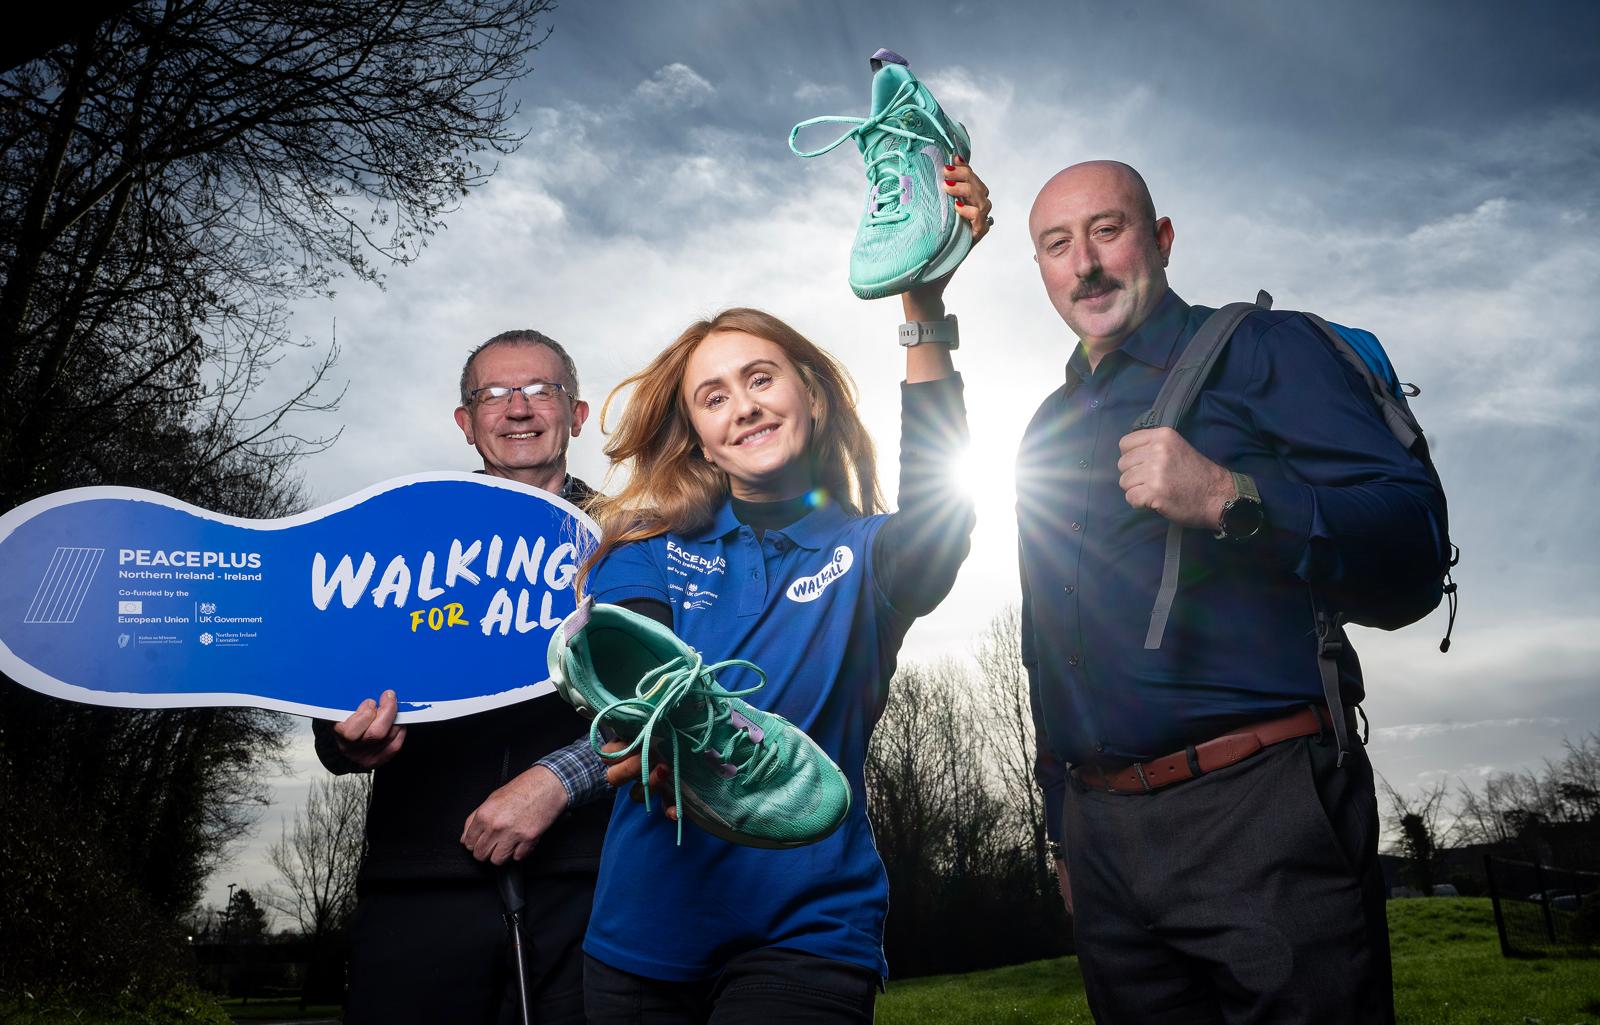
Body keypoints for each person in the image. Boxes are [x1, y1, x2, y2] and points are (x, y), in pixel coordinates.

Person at [1017, 160, 1448, 1024]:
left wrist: (1230, 498)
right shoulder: (1045, 424)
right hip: (1103, 843)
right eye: (1057, 245)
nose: (1085, 264)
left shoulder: (1263, 348)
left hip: (1260, 810)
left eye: (1107, 230)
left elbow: (1412, 543)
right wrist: (1065, 821)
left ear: (1162, 239)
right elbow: (1051, 635)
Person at [574, 164, 991, 1023]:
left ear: (808, 391)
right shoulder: (645, 547)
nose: (745, 407)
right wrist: (646, 727)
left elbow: (941, 528)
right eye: (714, 398)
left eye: (761, 378)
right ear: (701, 439)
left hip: (809, 927)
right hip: (642, 934)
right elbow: (627, 676)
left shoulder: (869, 553)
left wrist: (921, 306)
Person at [312, 330, 610, 1025]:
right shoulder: (404, 536)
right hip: (419, 884)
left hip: (586, 882)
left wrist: (558, 784)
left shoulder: (629, 537)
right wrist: (342, 738)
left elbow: (664, 701)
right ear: (466, 421)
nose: (518, 408)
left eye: (540, 390)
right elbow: (335, 687)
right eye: (494, 394)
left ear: (577, 413)